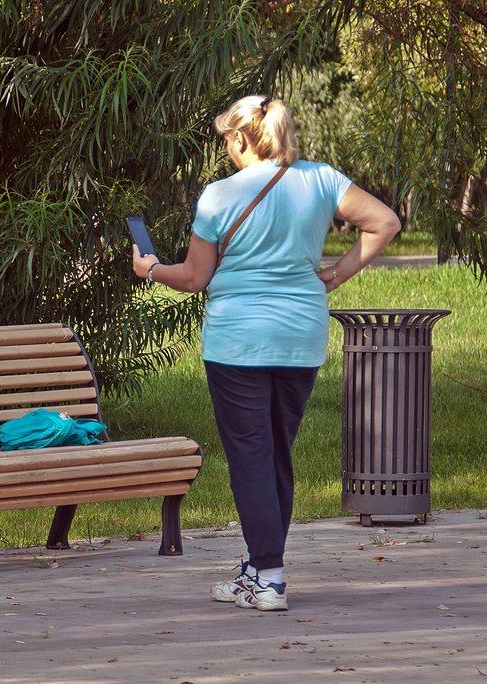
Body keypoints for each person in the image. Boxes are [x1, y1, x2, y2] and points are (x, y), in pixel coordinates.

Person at [130, 95, 401, 611]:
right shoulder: (322, 179)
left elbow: (193, 278)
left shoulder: (219, 196)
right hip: (300, 337)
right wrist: (334, 276)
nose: (226, 149)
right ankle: (257, 567)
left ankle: (270, 578)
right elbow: (384, 222)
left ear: (240, 138)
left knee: (251, 456)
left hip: (239, 341)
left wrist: (150, 270)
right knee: (275, 451)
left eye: (226, 140)